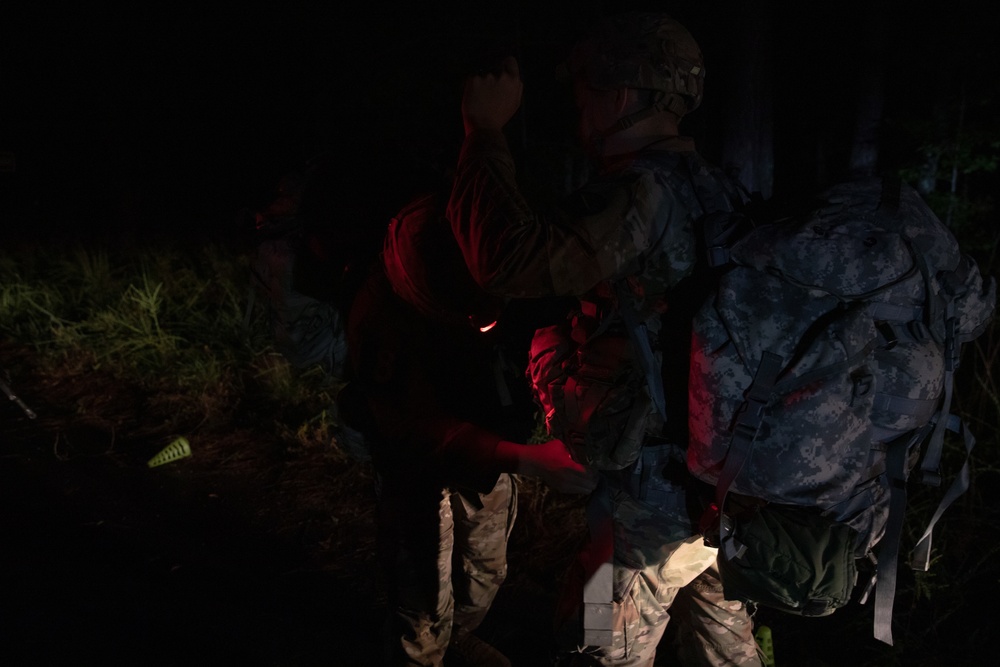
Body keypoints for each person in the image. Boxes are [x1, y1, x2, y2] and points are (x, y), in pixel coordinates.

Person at [446, 11, 763, 666]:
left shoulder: (639, 192)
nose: (580, 109)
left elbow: (506, 259)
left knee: (595, 641)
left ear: (622, 94)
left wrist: (484, 134)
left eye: (586, 92)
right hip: (724, 484)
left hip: (644, 506)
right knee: (725, 637)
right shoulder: (723, 188)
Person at [338, 191, 598, 667]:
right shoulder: (379, 315)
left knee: (484, 573)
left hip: (487, 449)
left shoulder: (489, 246)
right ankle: (422, 651)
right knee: (420, 600)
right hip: (413, 467)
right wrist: (528, 459)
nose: (485, 319)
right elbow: (416, 430)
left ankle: (455, 636)